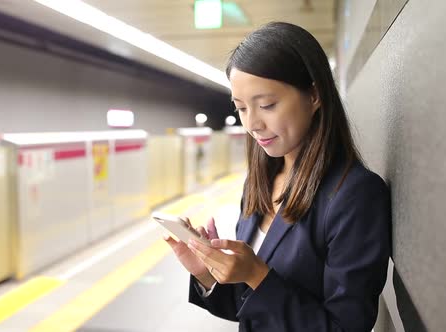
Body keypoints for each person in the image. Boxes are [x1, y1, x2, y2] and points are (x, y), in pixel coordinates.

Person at [164, 22, 391, 331]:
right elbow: (250, 309)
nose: (252, 123)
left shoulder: (355, 195)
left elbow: (345, 326)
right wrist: (208, 273)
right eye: (241, 108)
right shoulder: (259, 182)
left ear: (314, 95)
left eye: (267, 105)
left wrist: (257, 274)